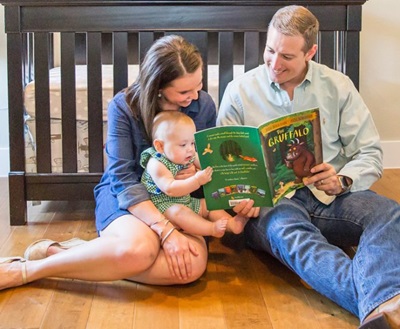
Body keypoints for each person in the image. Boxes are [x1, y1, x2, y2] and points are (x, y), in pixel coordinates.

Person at [0, 34, 255, 290]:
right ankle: (28, 270)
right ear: (157, 88)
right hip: (130, 195)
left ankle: (80, 254)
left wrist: (226, 186)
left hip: (178, 201)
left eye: (198, 85)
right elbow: (122, 177)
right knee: (141, 251)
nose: (195, 95)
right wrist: (165, 232)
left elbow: (207, 162)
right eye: (184, 91)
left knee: (191, 266)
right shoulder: (124, 106)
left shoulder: (203, 106)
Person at [217, 5, 400, 329]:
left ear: (310, 52)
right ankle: (383, 307)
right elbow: (225, 169)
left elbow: (370, 152)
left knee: (390, 214)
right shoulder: (239, 92)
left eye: (287, 56)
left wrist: (343, 179)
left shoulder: (338, 86)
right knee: (291, 236)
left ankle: (379, 311)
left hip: (331, 197)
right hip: (273, 204)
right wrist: (239, 197)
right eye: (270, 50)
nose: (275, 63)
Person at [140, 111, 249, 238]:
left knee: (209, 204)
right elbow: (170, 189)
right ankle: (211, 228)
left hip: (187, 201)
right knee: (179, 212)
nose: (190, 149)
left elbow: (207, 165)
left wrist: (227, 168)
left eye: (192, 143)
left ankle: (231, 224)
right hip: (164, 207)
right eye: (183, 144)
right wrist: (197, 180)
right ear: (160, 146)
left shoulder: (187, 155)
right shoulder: (156, 163)